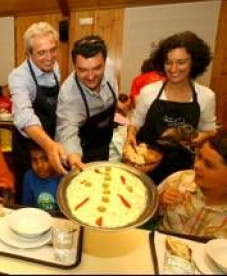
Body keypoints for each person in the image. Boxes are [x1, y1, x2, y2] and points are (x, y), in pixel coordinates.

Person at [125, 31, 217, 184]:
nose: (173, 69)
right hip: (147, 163)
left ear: (194, 62)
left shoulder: (206, 96)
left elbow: (210, 129)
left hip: (180, 168)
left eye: (181, 62)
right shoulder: (149, 92)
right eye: (168, 62)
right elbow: (136, 122)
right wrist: (130, 136)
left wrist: (201, 137)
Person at [9, 22, 67, 202]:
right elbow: (25, 115)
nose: (49, 57)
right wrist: (49, 146)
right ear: (29, 54)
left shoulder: (55, 67)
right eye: (41, 52)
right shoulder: (19, 76)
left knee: (52, 195)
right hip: (27, 147)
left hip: (48, 138)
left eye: (52, 50)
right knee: (26, 194)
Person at [56, 35, 118, 169]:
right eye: (83, 70)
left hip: (105, 145)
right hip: (82, 155)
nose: (90, 76)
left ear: (105, 62)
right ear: (74, 66)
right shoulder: (68, 94)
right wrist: (73, 157)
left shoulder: (110, 68)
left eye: (96, 68)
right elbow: (67, 130)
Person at [158, 131, 227, 239]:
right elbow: (142, 213)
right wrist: (158, 202)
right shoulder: (179, 180)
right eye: (199, 156)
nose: (196, 165)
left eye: (208, 165)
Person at [22, 142, 61, 211]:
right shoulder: (28, 177)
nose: (39, 165)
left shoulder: (62, 178)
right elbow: (27, 208)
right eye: (34, 160)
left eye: (45, 159)